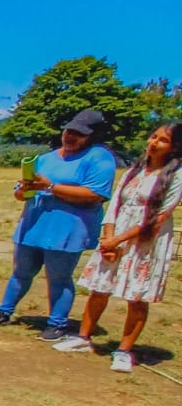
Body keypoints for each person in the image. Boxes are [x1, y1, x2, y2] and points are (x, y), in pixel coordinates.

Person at [53, 122, 182, 371]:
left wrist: (119, 239)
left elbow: (157, 219)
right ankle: (83, 338)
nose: (154, 143)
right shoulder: (135, 170)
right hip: (116, 236)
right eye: (153, 136)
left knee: (136, 296)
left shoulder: (176, 176)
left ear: (174, 147)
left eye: (163, 140)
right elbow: (114, 205)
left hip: (146, 242)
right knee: (99, 288)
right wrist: (108, 239)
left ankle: (124, 350)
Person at [0, 108, 116, 339]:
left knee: (59, 278)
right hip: (33, 227)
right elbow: (20, 193)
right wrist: (24, 190)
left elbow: (95, 194)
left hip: (67, 231)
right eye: (69, 131)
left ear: (92, 136)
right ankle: (4, 312)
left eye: (79, 134)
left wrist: (50, 187)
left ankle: (57, 323)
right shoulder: (44, 159)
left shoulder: (99, 158)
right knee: (20, 273)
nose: (70, 136)